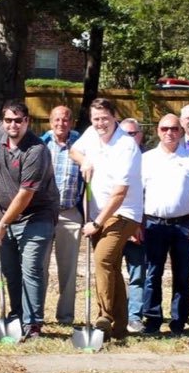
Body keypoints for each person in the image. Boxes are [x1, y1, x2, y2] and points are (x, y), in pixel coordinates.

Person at [0, 101, 58, 339]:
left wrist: (3, 223)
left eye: (18, 120)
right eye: (8, 120)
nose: (13, 125)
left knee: (32, 268)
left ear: (27, 121)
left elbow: (25, 195)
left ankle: (33, 323)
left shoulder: (36, 151)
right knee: (10, 270)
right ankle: (17, 315)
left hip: (37, 214)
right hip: (5, 213)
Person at [70, 100, 143, 340]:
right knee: (111, 267)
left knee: (102, 260)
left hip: (123, 213)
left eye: (105, 119)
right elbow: (74, 150)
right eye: (96, 119)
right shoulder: (92, 133)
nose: (100, 124)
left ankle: (105, 317)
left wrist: (97, 223)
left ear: (115, 118)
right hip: (97, 212)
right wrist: (85, 161)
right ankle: (120, 329)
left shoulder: (126, 147)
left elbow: (119, 194)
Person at [137, 114, 189, 335]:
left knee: (182, 275)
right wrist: (137, 225)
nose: (169, 133)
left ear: (180, 131)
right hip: (153, 224)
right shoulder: (146, 159)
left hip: (183, 225)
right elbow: (137, 194)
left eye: (174, 129)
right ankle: (152, 320)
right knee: (153, 274)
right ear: (157, 131)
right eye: (164, 129)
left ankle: (178, 321)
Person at [41, 105, 82, 325]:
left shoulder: (81, 145)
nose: (61, 124)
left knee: (69, 269)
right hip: (44, 214)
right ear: (50, 121)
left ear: (72, 122)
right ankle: (36, 315)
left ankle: (65, 316)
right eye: (56, 120)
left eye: (65, 120)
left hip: (70, 213)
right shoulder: (41, 144)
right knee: (39, 267)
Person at [115, 118, 148, 333]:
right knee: (111, 273)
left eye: (132, 134)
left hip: (138, 226)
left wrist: (137, 225)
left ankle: (135, 317)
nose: (128, 138)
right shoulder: (111, 157)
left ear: (140, 135)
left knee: (137, 275)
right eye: (124, 134)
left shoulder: (147, 160)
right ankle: (114, 315)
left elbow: (146, 196)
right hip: (113, 225)